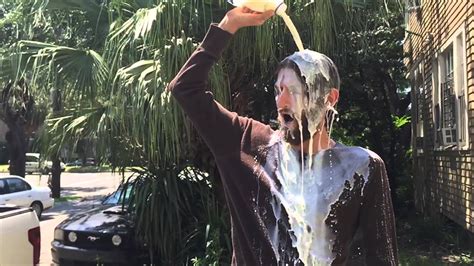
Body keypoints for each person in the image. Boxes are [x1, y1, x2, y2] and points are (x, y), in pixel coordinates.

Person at [168, 7, 398, 266]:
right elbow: (185, 88)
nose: (282, 101)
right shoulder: (245, 143)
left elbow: (381, 258)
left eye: (297, 89)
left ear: (330, 99)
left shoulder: (361, 168)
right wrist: (229, 23)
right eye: (279, 90)